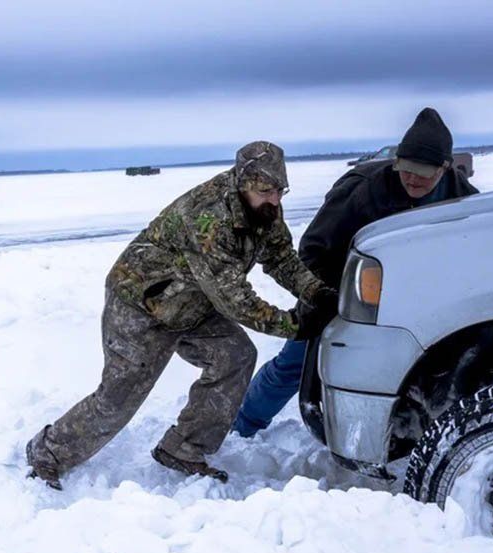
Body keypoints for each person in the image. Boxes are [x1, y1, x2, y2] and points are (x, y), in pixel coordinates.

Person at [25, 141, 337, 489]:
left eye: (280, 190)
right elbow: (236, 300)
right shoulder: (209, 219)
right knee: (119, 396)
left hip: (194, 302)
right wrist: (295, 325)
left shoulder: (264, 209)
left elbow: (281, 259)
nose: (275, 200)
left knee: (235, 356)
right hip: (141, 304)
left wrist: (315, 292)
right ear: (243, 183)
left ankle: (185, 448)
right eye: (266, 191)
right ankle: (47, 453)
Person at [232, 107, 479, 438]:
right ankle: (242, 425)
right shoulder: (364, 190)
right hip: (338, 289)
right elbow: (313, 250)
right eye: (406, 169)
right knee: (294, 364)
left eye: (423, 172)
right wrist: (328, 297)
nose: (412, 179)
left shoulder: (461, 198)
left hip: (411, 302)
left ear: (445, 168)